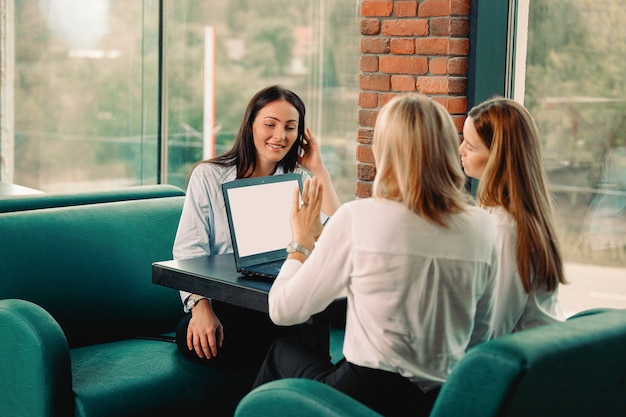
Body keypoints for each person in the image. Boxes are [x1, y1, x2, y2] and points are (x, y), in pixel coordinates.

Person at [251, 93, 499, 417]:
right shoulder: (483, 225)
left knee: (281, 351)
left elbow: (284, 311)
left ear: (384, 150)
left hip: (366, 396)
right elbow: (482, 330)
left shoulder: (359, 217)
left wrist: (300, 244)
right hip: (440, 398)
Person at [173, 85, 341, 370]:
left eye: (290, 127)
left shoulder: (296, 180)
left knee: (293, 340)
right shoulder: (209, 176)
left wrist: (319, 170)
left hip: (279, 300)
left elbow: (338, 233)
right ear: (250, 125)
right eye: (270, 124)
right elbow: (189, 249)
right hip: (223, 305)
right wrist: (201, 308)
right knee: (283, 348)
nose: (280, 136)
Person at [460, 96, 567, 337]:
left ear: (498, 158)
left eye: (470, 145)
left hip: (530, 360)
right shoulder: (504, 216)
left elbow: (496, 328)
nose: (460, 150)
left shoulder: (505, 227)